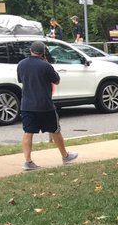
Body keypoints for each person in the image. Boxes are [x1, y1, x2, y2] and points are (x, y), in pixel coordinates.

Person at [18, 41, 78, 171]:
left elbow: (21, 80)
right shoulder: (45, 65)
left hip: (27, 104)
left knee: (28, 132)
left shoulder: (21, 64)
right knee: (55, 130)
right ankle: (65, 156)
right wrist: (47, 63)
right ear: (43, 53)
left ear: (31, 51)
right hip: (45, 105)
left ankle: (28, 161)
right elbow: (56, 80)